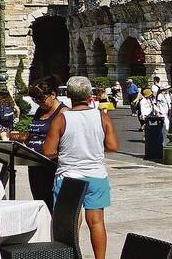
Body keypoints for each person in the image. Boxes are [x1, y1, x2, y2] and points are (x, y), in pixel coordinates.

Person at [43, 76, 119, 259]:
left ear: (68, 95)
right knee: (97, 222)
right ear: (90, 95)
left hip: (68, 176)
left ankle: (71, 256)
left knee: (69, 223)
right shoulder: (101, 117)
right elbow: (113, 146)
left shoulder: (62, 119)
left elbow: (48, 151)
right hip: (96, 175)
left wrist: (67, 151)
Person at [21, 76, 64, 212]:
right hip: (34, 164)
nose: (39, 103)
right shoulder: (40, 111)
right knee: (41, 203)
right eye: (36, 100)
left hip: (51, 165)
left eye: (41, 99)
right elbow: (33, 131)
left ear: (53, 94)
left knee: (53, 205)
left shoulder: (63, 112)